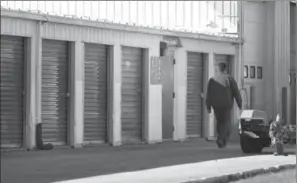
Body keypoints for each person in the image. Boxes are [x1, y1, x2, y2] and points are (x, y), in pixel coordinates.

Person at [206, 63, 242, 148]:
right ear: (225, 69)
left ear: (218, 69)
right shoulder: (229, 79)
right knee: (225, 122)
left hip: (216, 105)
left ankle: (220, 138)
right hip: (226, 104)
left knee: (219, 121)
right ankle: (221, 139)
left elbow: (209, 94)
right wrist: (239, 103)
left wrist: (208, 106)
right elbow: (236, 91)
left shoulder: (212, 80)